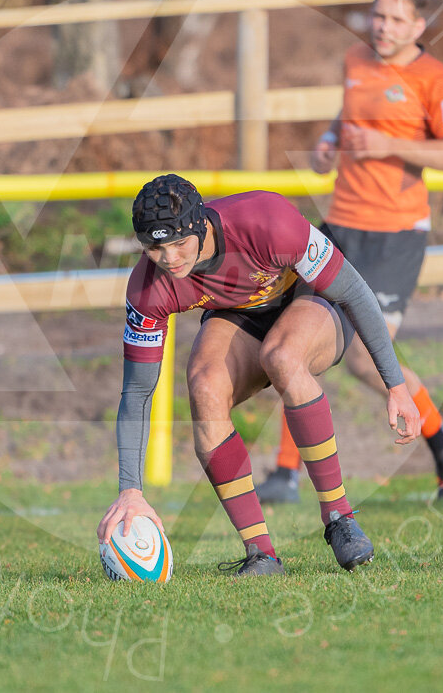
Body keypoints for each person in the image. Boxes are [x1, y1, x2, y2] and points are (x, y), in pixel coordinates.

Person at [97, 174, 420, 575]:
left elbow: (354, 293)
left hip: (310, 300)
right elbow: (136, 392)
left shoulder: (267, 221)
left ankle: (340, 519)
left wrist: (396, 386)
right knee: (204, 387)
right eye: (155, 249)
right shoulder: (148, 288)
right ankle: (262, 554)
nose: (171, 259)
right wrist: (131, 490)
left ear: (201, 225)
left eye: (180, 243)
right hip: (239, 314)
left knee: (282, 355)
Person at [255, 0, 443, 505]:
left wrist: (388, 144)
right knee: (295, 337)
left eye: (397, 19)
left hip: (395, 237)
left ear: (419, 27)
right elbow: (348, 115)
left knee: (361, 358)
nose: (383, 26)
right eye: (378, 15)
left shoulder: (435, 79)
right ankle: (286, 472)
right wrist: (330, 141)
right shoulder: (356, 60)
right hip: (341, 227)